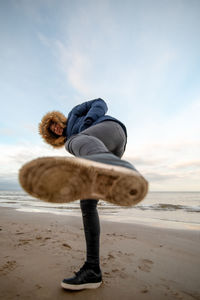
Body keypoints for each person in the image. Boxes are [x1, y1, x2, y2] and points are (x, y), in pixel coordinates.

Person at [38, 98, 147, 291]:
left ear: (58, 119)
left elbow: (100, 102)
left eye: (54, 124)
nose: (55, 128)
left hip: (108, 129)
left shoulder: (74, 117)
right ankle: (92, 270)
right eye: (51, 130)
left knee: (73, 142)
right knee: (87, 203)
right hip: (101, 149)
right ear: (52, 136)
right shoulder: (76, 141)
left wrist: (88, 122)